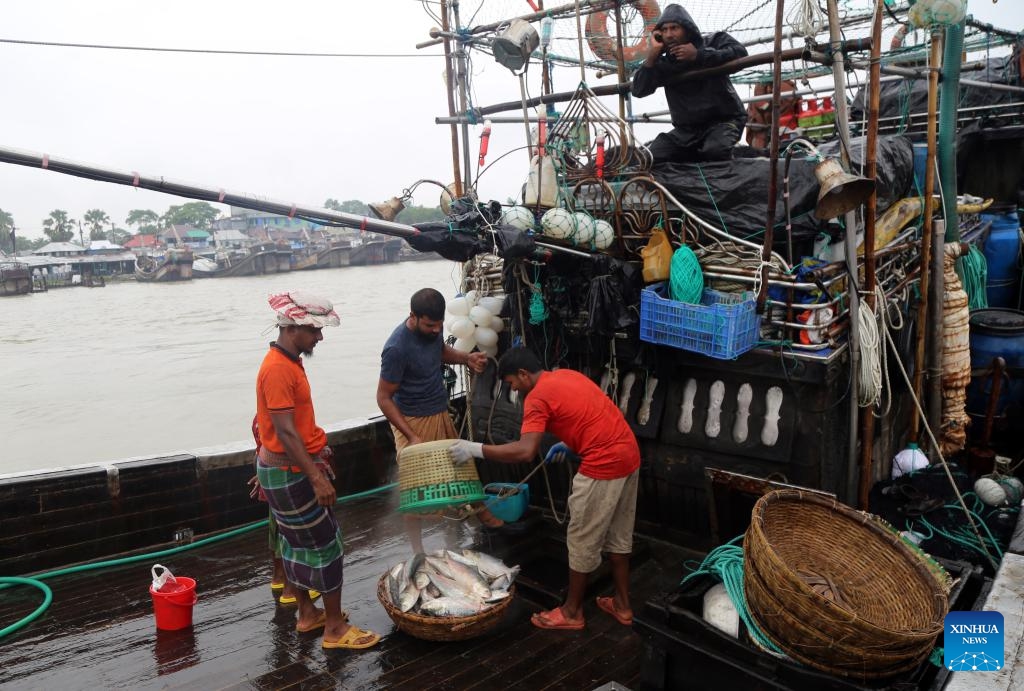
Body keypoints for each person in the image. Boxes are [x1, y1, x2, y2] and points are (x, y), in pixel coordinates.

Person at [449, 347, 641, 631]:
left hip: (603, 465)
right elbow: (590, 415)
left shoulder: (537, 397)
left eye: (512, 383)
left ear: (524, 374)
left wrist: (475, 449)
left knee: (580, 540)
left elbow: (526, 451)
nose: (512, 388)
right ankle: (623, 606)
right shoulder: (566, 376)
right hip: (629, 455)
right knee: (619, 538)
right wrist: (572, 444)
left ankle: (572, 612)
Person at [255, 290, 379, 650]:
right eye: (314, 330)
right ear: (293, 328)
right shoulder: (278, 369)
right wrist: (316, 476)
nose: (319, 337)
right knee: (327, 545)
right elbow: (285, 432)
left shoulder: (287, 361)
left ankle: (308, 615)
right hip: (292, 471)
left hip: (283, 468)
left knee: (293, 544)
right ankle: (335, 629)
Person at [376, 288, 497, 555]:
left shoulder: (434, 330)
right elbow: (384, 398)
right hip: (411, 422)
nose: (434, 330)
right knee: (415, 491)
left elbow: (439, 350)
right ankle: (418, 550)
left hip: (439, 412)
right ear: (413, 317)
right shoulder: (396, 348)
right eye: (429, 325)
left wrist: (466, 358)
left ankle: (471, 523)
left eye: (439, 325)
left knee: (458, 470)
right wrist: (411, 436)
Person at [631, 4, 748, 163]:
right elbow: (638, 90)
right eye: (664, 30)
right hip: (686, 131)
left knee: (714, 151)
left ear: (687, 29)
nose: (669, 34)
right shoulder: (663, 64)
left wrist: (699, 56)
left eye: (674, 28)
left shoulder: (715, 41)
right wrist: (651, 57)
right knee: (650, 158)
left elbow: (740, 53)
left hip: (725, 121)